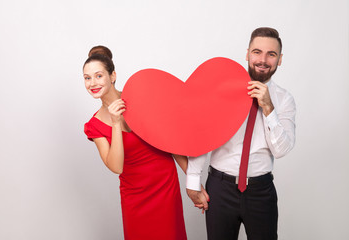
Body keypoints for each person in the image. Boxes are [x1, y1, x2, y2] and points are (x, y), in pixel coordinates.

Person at [186, 27, 296, 240]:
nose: (262, 60)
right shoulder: (222, 91)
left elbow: (281, 150)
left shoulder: (284, 100)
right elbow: (203, 135)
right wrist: (192, 181)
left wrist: (268, 108)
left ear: (279, 59)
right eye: (257, 52)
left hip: (261, 192)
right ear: (247, 54)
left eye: (271, 54)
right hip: (220, 189)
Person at [83, 46, 187, 240]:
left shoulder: (140, 98)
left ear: (112, 76)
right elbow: (116, 166)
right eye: (87, 78)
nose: (92, 83)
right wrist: (115, 123)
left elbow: (170, 141)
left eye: (98, 76)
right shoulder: (94, 125)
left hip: (164, 186)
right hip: (135, 196)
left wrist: (193, 181)